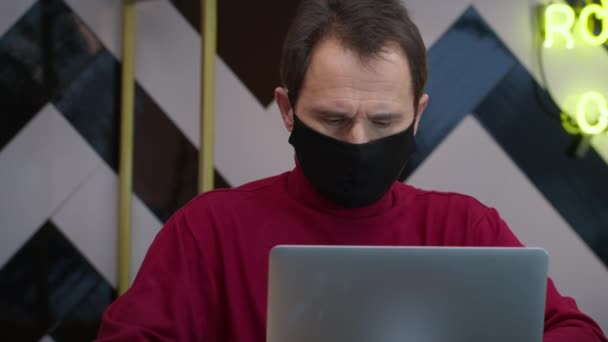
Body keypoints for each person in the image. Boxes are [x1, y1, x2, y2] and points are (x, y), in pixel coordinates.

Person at [96, 0, 607, 341]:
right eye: (334, 119)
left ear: (419, 114)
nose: (359, 140)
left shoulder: (466, 228)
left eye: (384, 120)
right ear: (287, 108)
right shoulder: (208, 228)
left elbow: (577, 331)